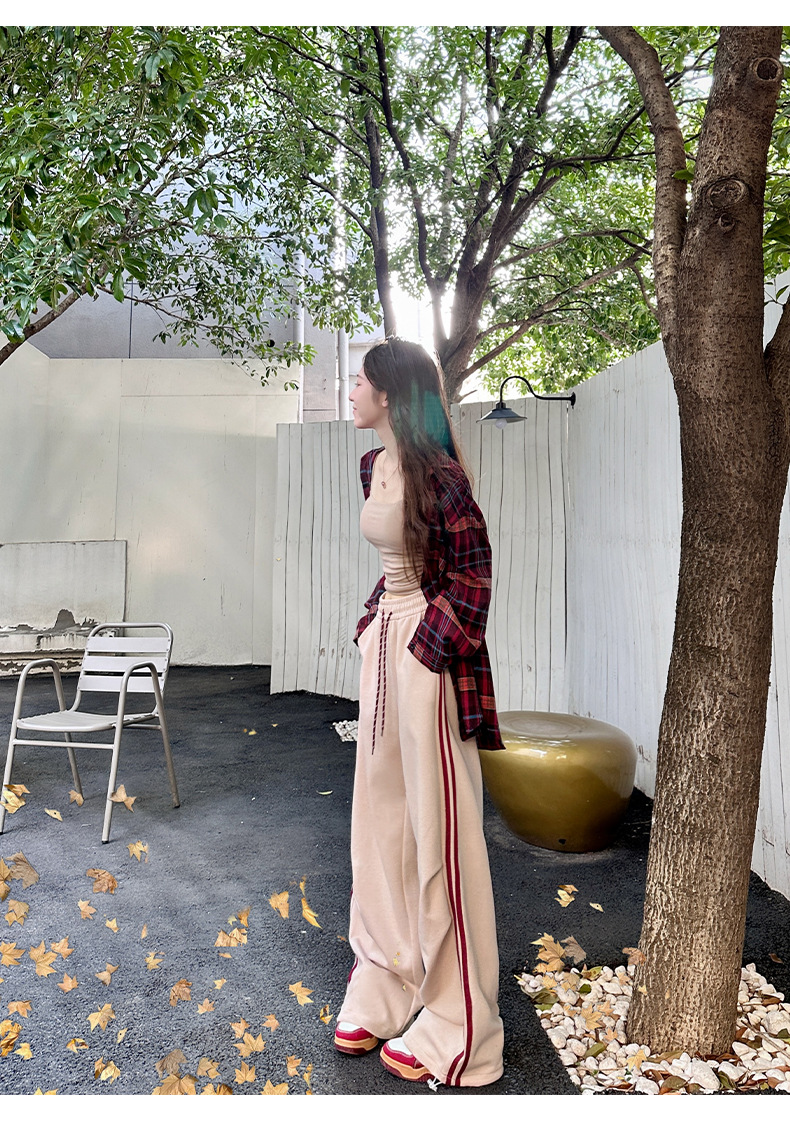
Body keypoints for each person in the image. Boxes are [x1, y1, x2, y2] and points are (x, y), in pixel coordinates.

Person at [334, 337, 505, 1088]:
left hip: (427, 658)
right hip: (387, 648)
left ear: (388, 393)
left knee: (440, 833)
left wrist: (423, 651)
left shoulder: (440, 473)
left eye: (359, 381)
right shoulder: (375, 464)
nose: (350, 390)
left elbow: (473, 575)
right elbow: (399, 564)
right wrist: (376, 619)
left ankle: (462, 1023)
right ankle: (387, 975)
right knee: (380, 822)